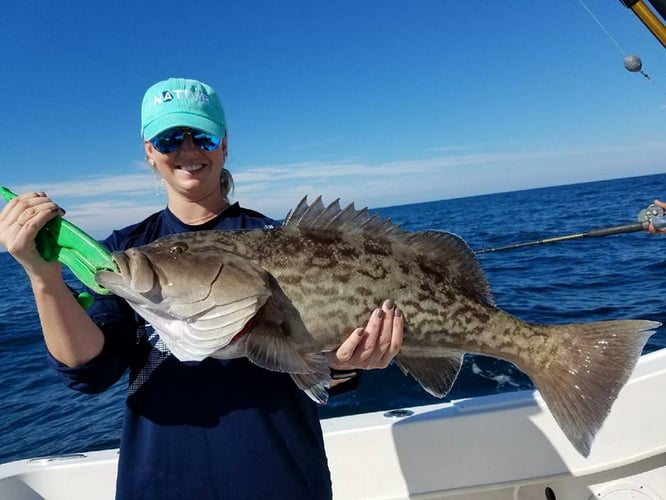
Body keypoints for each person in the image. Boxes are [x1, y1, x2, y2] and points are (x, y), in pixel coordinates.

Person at [0, 77, 404, 500]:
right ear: (149, 152)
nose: (188, 150)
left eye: (204, 137)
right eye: (170, 138)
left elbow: (326, 372)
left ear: (224, 146)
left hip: (282, 479)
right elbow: (89, 372)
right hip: (159, 484)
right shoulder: (124, 252)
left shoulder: (284, 239)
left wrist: (347, 363)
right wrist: (43, 276)